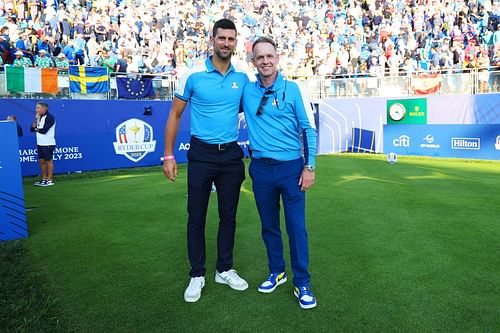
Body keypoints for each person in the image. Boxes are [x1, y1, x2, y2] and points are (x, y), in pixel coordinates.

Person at [162, 18, 249, 303]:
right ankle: (196, 274)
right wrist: (169, 155)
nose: (226, 43)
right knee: (196, 217)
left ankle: (224, 269)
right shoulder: (193, 74)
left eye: (231, 39)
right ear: (212, 39)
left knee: (229, 217)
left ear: (235, 42)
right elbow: (175, 115)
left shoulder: (243, 77)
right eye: (221, 38)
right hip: (201, 155)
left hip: (232, 156)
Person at [241, 36, 318, 310]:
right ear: (253, 61)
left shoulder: (294, 89)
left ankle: (303, 282)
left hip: (291, 170)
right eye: (259, 57)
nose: (265, 61)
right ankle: (277, 271)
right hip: (260, 170)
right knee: (269, 226)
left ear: (277, 58)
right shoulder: (246, 92)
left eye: (269, 56)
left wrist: (309, 167)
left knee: (296, 228)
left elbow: (308, 129)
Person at [30, 102, 56, 187]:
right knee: (41, 161)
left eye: (38, 108)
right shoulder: (39, 117)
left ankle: (50, 180)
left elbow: (44, 130)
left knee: (49, 161)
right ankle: (44, 179)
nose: (36, 109)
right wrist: (35, 120)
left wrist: (36, 129)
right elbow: (31, 129)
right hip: (40, 143)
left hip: (48, 143)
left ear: (45, 108)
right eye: (36, 108)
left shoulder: (50, 117)